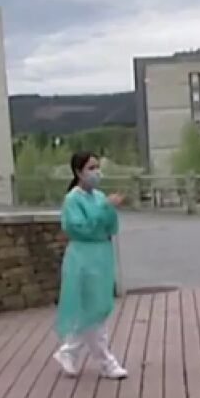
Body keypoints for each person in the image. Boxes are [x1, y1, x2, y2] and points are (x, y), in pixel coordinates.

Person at [52, 152, 128, 380]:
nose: (96, 173)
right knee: (92, 310)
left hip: (101, 255)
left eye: (97, 167)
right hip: (82, 258)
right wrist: (105, 208)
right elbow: (79, 227)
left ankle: (68, 352)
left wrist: (109, 209)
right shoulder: (72, 200)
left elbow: (110, 226)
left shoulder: (98, 196)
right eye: (91, 168)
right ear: (78, 172)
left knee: (95, 309)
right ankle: (106, 361)